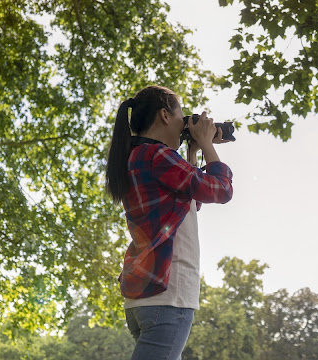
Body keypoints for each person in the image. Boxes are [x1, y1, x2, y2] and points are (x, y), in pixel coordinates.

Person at [105, 85, 233, 359]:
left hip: (146, 298)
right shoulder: (158, 156)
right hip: (169, 293)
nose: (183, 123)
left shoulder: (138, 156)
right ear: (164, 115)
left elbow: (191, 204)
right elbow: (220, 191)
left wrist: (194, 152)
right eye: (181, 116)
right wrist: (208, 144)